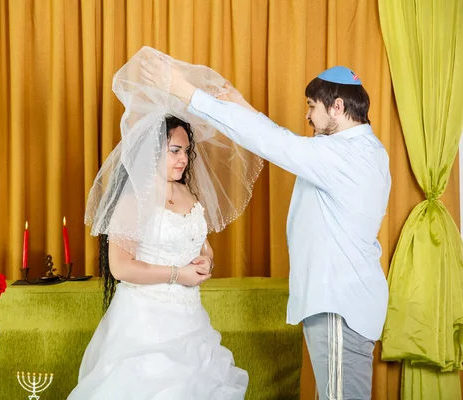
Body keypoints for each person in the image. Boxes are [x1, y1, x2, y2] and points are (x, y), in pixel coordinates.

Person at [141, 56, 391, 400]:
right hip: (342, 302)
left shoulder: (345, 155)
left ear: (336, 106)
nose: (307, 116)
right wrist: (241, 106)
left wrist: (186, 91)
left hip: (339, 305)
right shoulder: (360, 150)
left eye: (311, 107)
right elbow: (280, 140)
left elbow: (276, 144)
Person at [69, 47, 263, 400]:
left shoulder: (187, 195)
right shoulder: (133, 201)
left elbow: (199, 244)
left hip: (191, 322)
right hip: (144, 324)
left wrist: (207, 260)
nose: (183, 158)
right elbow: (120, 266)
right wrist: (178, 275)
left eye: (186, 151)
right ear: (151, 149)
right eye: (175, 150)